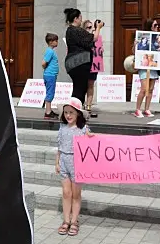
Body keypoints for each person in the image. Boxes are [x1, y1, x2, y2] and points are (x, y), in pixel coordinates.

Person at [55, 97, 94, 236]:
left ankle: (74, 220)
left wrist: (91, 137)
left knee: (76, 194)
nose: (68, 115)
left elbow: (91, 143)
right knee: (66, 193)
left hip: (78, 163)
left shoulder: (83, 129)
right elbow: (59, 146)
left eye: (71, 112)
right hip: (64, 161)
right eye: (66, 112)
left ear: (78, 113)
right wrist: (57, 162)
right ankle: (66, 220)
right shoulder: (62, 128)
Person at [63, 8, 103, 105]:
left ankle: (75, 110)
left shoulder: (70, 30)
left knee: (78, 88)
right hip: (79, 63)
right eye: (80, 17)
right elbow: (94, 38)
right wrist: (98, 27)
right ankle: (74, 111)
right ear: (75, 18)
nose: (81, 20)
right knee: (80, 90)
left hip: (73, 64)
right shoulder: (76, 30)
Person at [133, 19, 160, 118]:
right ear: (150, 26)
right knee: (143, 88)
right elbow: (135, 51)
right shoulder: (142, 37)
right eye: (155, 25)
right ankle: (137, 109)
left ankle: (147, 109)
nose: (157, 27)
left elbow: (159, 52)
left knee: (150, 89)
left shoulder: (157, 39)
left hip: (153, 66)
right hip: (144, 66)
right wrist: (135, 45)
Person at [81, 20, 101, 116]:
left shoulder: (96, 38)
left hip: (93, 64)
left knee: (90, 85)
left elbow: (99, 49)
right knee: (81, 85)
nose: (91, 29)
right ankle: (80, 105)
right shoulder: (81, 38)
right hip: (84, 65)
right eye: (88, 27)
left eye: (92, 27)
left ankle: (88, 106)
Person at [42, 33, 59, 119]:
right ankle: (48, 112)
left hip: (51, 75)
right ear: (51, 42)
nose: (57, 42)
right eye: (56, 41)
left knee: (50, 92)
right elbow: (44, 63)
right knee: (50, 93)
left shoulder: (51, 51)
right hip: (50, 75)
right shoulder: (50, 51)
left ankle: (49, 110)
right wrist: (47, 69)